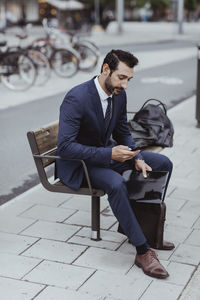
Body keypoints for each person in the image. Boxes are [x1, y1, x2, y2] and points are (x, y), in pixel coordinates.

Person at [57, 49, 174, 279]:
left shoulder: (119, 94)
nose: (126, 84)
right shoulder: (77, 98)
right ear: (105, 69)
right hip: (80, 164)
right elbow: (65, 147)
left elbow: (122, 131)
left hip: (107, 155)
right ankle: (142, 250)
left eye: (129, 79)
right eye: (122, 77)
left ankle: (140, 231)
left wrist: (137, 156)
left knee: (162, 163)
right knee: (116, 183)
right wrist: (110, 154)